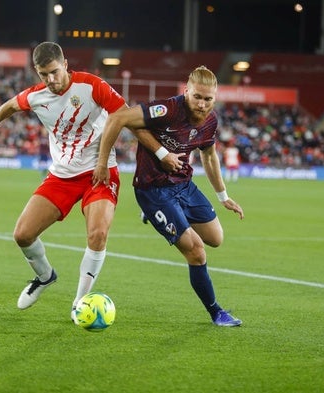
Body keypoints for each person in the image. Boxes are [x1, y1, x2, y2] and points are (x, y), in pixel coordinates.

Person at [0, 41, 127, 321]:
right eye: (43, 74)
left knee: (98, 234)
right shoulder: (36, 96)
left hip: (99, 171)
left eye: (54, 72)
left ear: (65, 65)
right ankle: (45, 276)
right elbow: (12, 105)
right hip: (61, 175)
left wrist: (155, 152)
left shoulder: (91, 86)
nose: (50, 79)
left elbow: (124, 114)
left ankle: (80, 302)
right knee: (22, 234)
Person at [93, 65, 245, 327]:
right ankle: (216, 312)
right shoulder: (168, 110)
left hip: (184, 185)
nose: (202, 103)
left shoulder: (210, 121)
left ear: (216, 98)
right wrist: (103, 163)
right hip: (153, 190)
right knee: (197, 252)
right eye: (197, 96)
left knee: (216, 239)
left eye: (208, 99)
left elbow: (208, 155)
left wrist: (223, 195)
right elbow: (118, 118)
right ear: (186, 91)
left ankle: (156, 215)